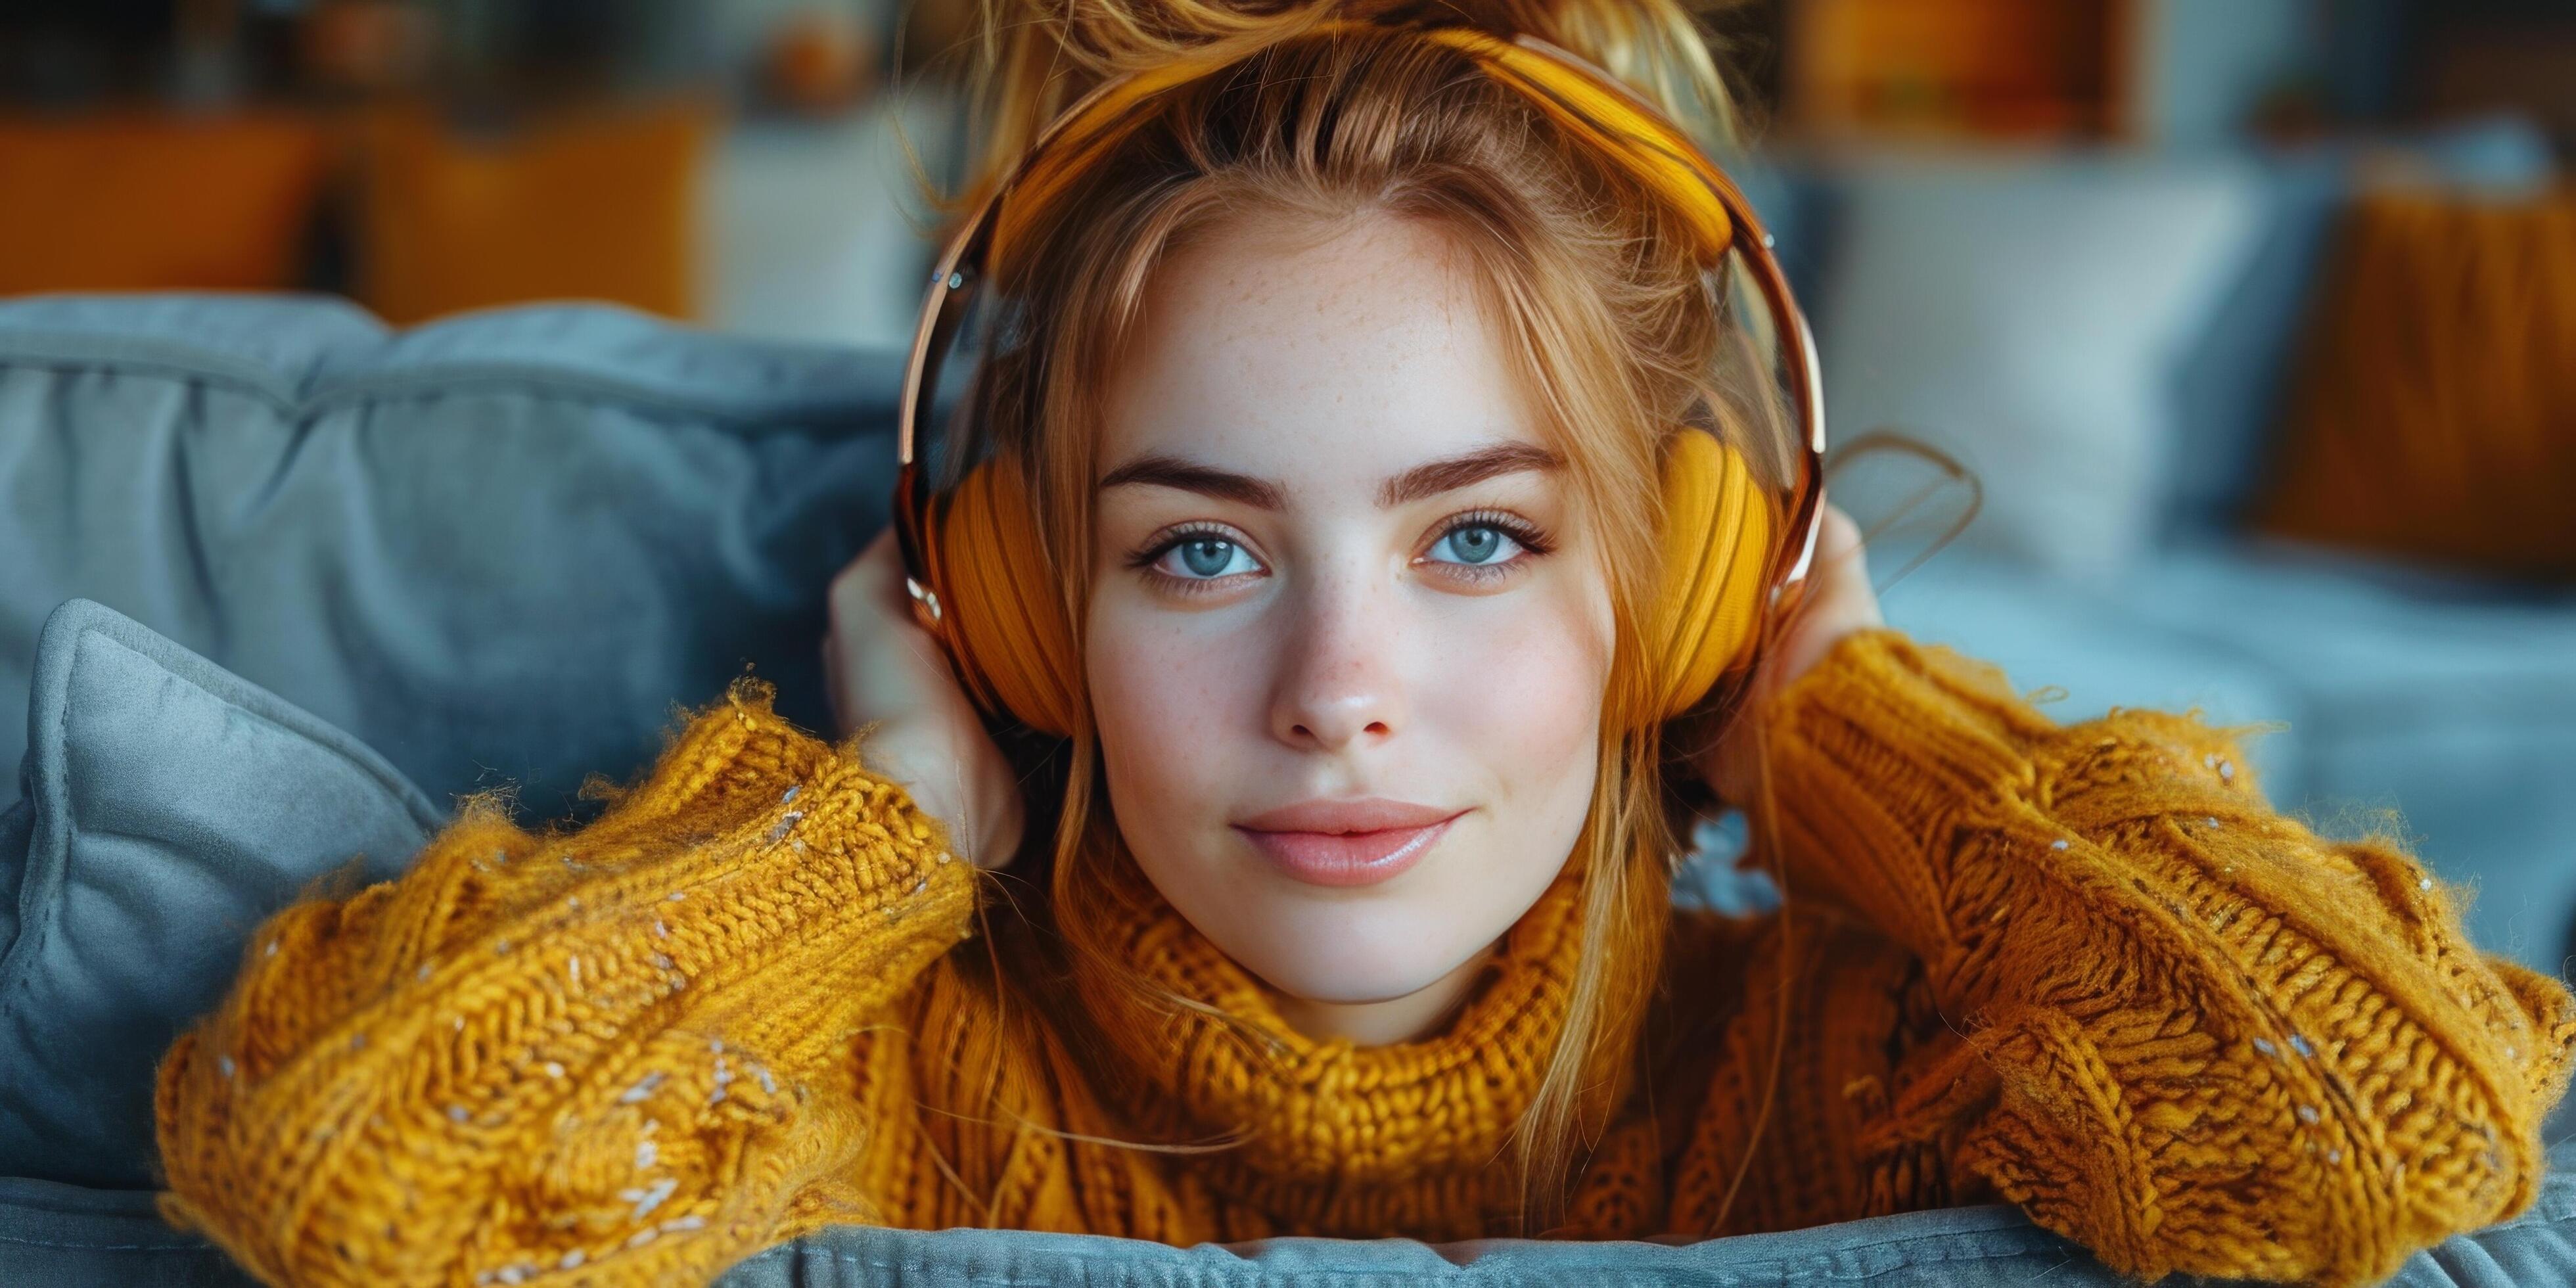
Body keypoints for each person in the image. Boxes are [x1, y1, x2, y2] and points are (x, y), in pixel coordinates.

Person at [152, 1, 2572, 1285]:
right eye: (1199, 552)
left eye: (1485, 542)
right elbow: (376, 1177)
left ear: (1685, 593)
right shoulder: (905, 1084)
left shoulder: (1840, 1061)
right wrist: (875, 818)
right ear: (1018, 613)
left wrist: (1841, 725)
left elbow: (2388, 1113)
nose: (1340, 689)